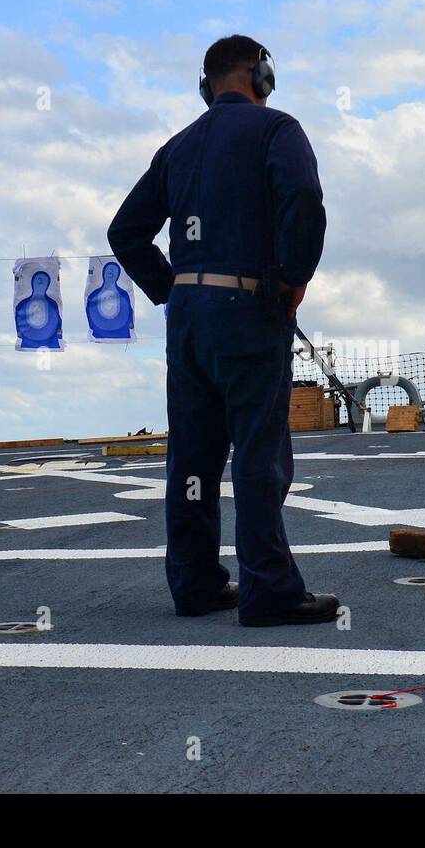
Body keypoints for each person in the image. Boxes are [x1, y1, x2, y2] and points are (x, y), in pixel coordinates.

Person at [106, 35, 340, 627]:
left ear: (204, 83)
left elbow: (125, 233)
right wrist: (293, 275)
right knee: (260, 453)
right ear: (262, 76)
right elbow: (305, 199)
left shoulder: (177, 148)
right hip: (249, 310)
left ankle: (195, 584)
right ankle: (269, 591)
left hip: (187, 320)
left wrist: (170, 289)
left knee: (192, 456)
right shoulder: (277, 130)